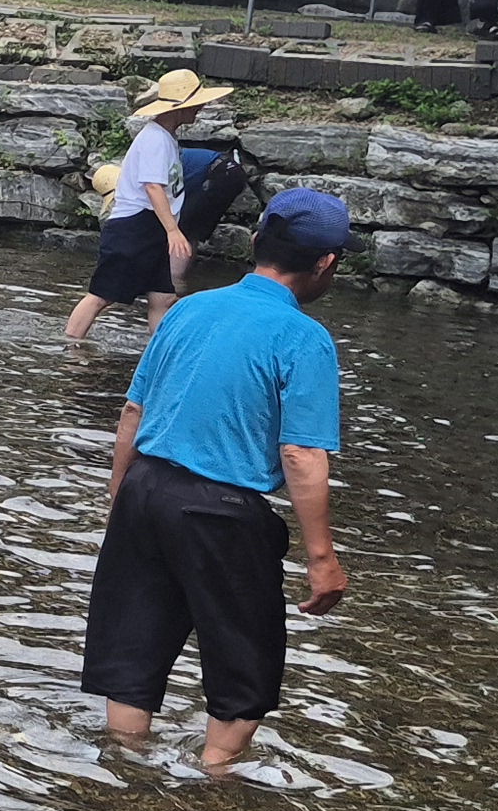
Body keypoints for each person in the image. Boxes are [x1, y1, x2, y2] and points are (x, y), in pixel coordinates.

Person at [80, 187, 350, 776]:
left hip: (145, 488)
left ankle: (120, 770)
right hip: (223, 511)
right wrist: (321, 558)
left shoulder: (189, 309)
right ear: (326, 263)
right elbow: (302, 453)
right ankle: (215, 779)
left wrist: (118, 497)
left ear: (256, 244)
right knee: (243, 662)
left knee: (133, 646)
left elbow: (133, 412)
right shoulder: (304, 339)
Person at [68, 67, 220, 345]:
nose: (200, 109)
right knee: (101, 296)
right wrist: (173, 230)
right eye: (196, 104)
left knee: (163, 297)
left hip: (151, 227)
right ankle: (69, 347)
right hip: (135, 227)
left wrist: (167, 231)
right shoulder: (155, 139)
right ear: (179, 108)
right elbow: (153, 187)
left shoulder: (167, 137)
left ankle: (159, 351)